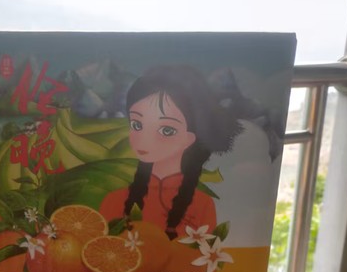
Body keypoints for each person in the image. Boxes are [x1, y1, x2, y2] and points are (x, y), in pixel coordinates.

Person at [99, 65, 242, 240]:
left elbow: (203, 257)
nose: (145, 139)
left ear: (189, 138)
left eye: (166, 130)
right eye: (137, 125)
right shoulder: (114, 201)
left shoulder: (202, 205)